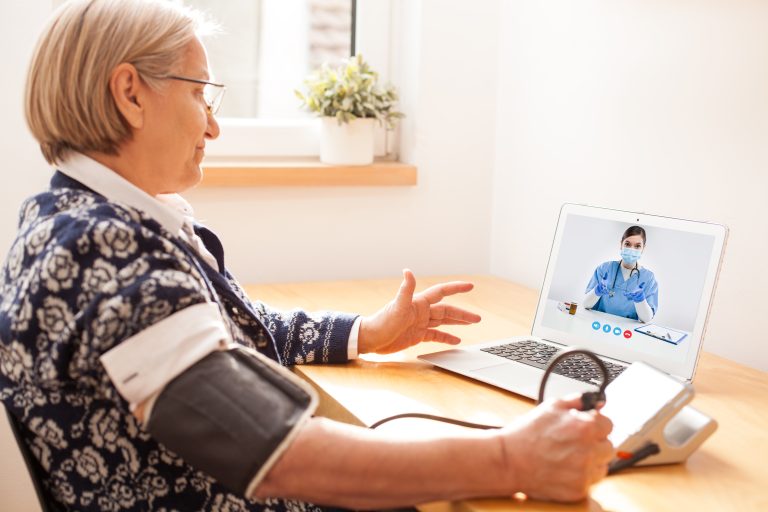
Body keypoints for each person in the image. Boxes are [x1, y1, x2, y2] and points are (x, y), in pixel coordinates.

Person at [0, 1, 614, 510]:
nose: (212, 128)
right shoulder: (99, 249)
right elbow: (273, 455)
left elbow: (227, 331)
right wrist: (513, 457)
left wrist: (365, 332)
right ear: (131, 94)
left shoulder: (65, 219)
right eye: (202, 96)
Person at [584, 226, 659, 322]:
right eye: (627, 244)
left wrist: (640, 300)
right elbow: (586, 304)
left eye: (637, 246)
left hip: (626, 331)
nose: (632, 249)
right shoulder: (605, 268)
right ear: (621, 244)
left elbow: (647, 319)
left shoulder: (648, 278)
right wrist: (597, 291)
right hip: (599, 324)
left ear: (643, 248)